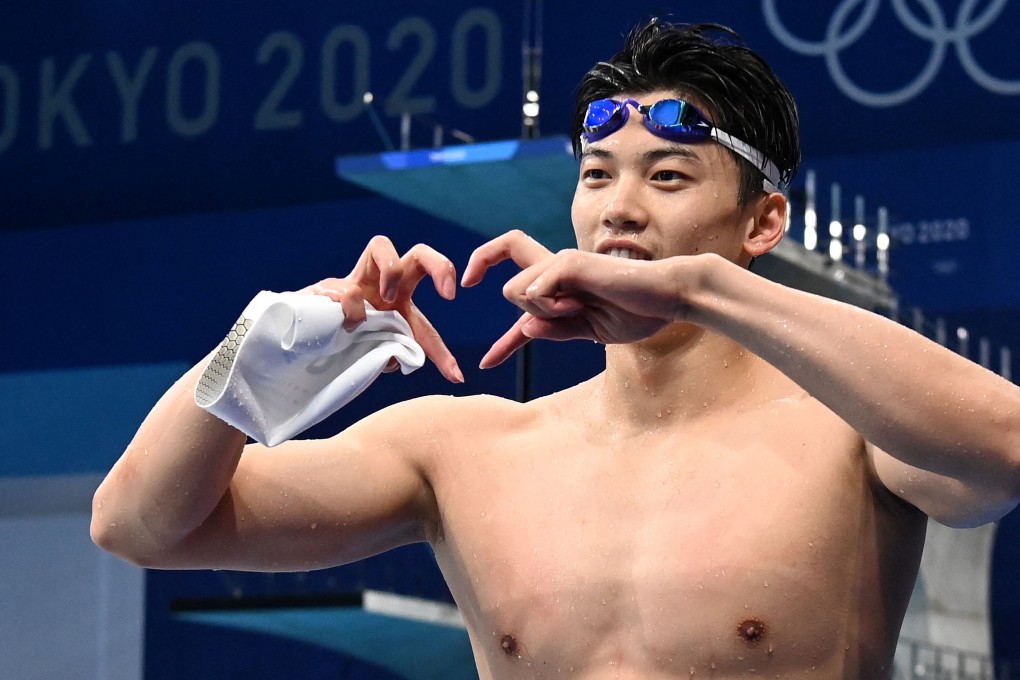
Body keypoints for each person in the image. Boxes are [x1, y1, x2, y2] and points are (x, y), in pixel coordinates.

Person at [92, 19, 1020, 679]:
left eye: (667, 176)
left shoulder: (848, 435)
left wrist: (705, 290)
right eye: (595, 175)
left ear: (763, 220)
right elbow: (140, 527)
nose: (618, 207)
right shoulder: (464, 452)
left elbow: (1007, 448)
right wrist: (247, 367)